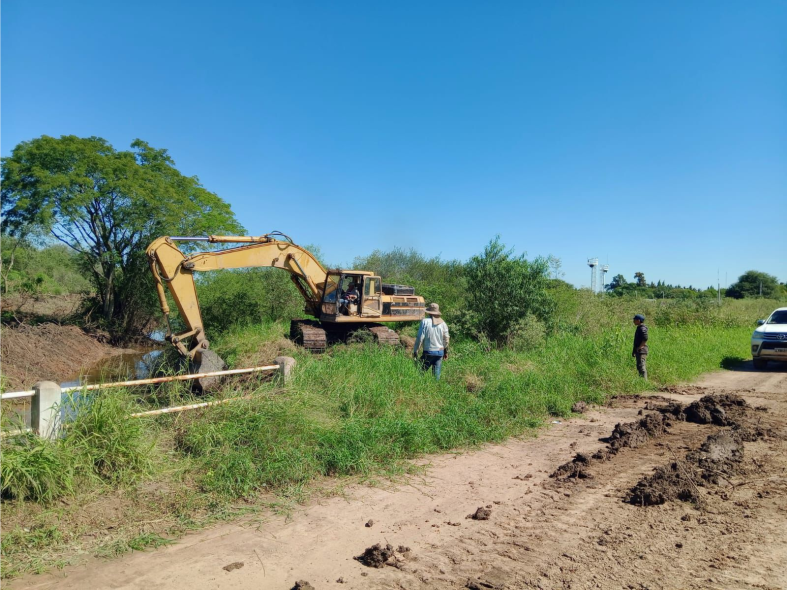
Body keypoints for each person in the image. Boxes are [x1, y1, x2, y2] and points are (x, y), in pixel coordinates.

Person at [413, 303, 450, 380]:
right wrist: (445, 351)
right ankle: (436, 389)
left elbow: (420, 338)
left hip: (428, 352)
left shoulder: (425, 322)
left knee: (419, 373)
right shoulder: (443, 323)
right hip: (440, 353)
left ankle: (420, 388)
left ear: (429, 312)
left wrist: (415, 351)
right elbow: (446, 339)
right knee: (436, 377)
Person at [632, 314, 648, 380]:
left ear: (638, 320)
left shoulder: (642, 328)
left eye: (634, 320)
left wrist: (640, 347)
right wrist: (634, 351)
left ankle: (644, 382)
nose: (633, 321)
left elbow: (645, 338)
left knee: (642, 367)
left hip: (642, 350)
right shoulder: (639, 328)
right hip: (638, 350)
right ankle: (641, 381)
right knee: (639, 366)